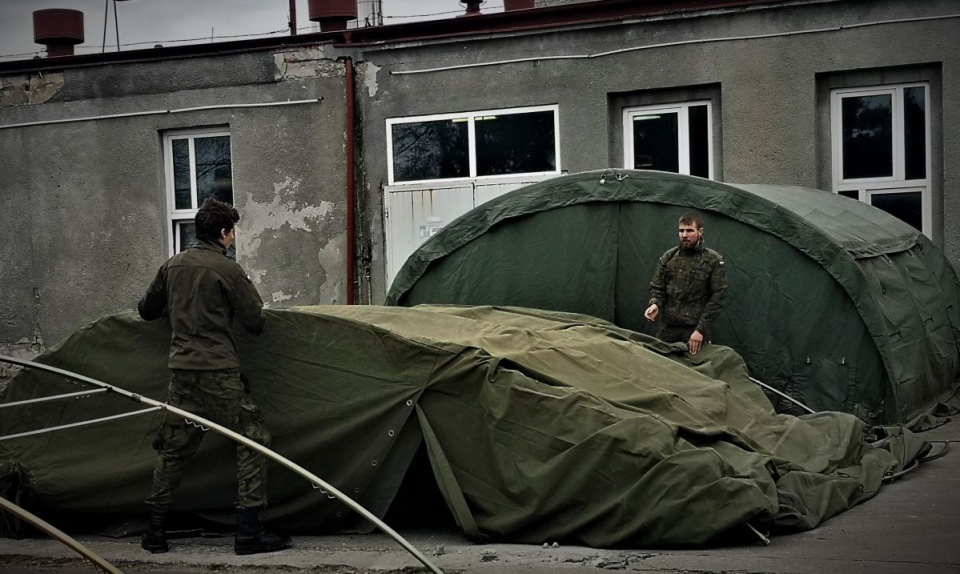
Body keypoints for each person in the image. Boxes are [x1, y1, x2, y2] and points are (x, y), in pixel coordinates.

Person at [137, 197, 291, 555]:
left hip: (181, 374)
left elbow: (147, 311)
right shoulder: (228, 270)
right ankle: (249, 532)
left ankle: (154, 532)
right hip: (219, 373)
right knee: (254, 440)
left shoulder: (172, 266)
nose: (233, 239)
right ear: (223, 233)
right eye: (232, 232)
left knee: (173, 451)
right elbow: (256, 323)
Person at [644, 211, 728, 355]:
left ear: (700, 231)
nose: (684, 235)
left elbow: (717, 298)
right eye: (681, 230)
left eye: (689, 230)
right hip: (668, 329)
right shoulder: (669, 257)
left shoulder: (712, 260)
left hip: (694, 331)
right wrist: (655, 304)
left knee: (693, 371)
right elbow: (657, 287)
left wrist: (700, 330)